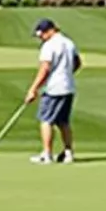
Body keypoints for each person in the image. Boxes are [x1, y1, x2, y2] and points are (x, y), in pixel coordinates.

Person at [25, 18, 82, 165]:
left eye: (42, 35)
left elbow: (45, 69)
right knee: (63, 122)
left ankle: (47, 154)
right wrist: (66, 75)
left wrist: (33, 89)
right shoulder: (69, 42)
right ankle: (68, 153)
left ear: (50, 31)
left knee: (46, 120)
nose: (41, 38)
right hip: (68, 87)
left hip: (54, 89)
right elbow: (77, 63)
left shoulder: (49, 46)